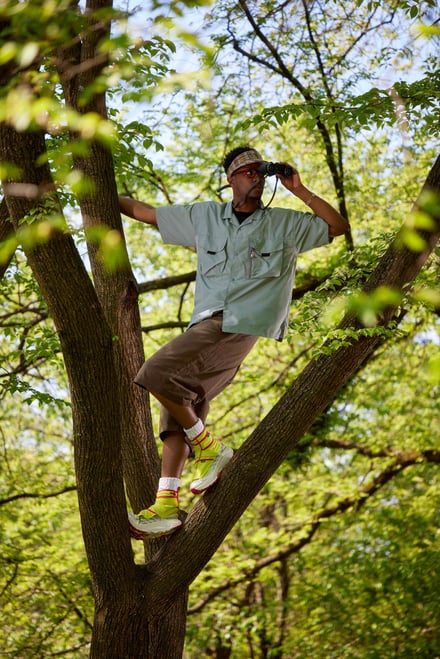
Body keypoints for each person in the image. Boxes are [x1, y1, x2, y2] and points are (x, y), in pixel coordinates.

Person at [119, 145, 348, 539]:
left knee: (155, 372)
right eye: (247, 170)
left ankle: (209, 448)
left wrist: (299, 188)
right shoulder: (204, 216)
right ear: (231, 178)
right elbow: (144, 213)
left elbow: (336, 226)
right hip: (205, 324)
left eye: (261, 170)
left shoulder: (282, 223)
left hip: (242, 323)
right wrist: (91, 187)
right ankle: (167, 505)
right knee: (179, 410)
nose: (255, 176)